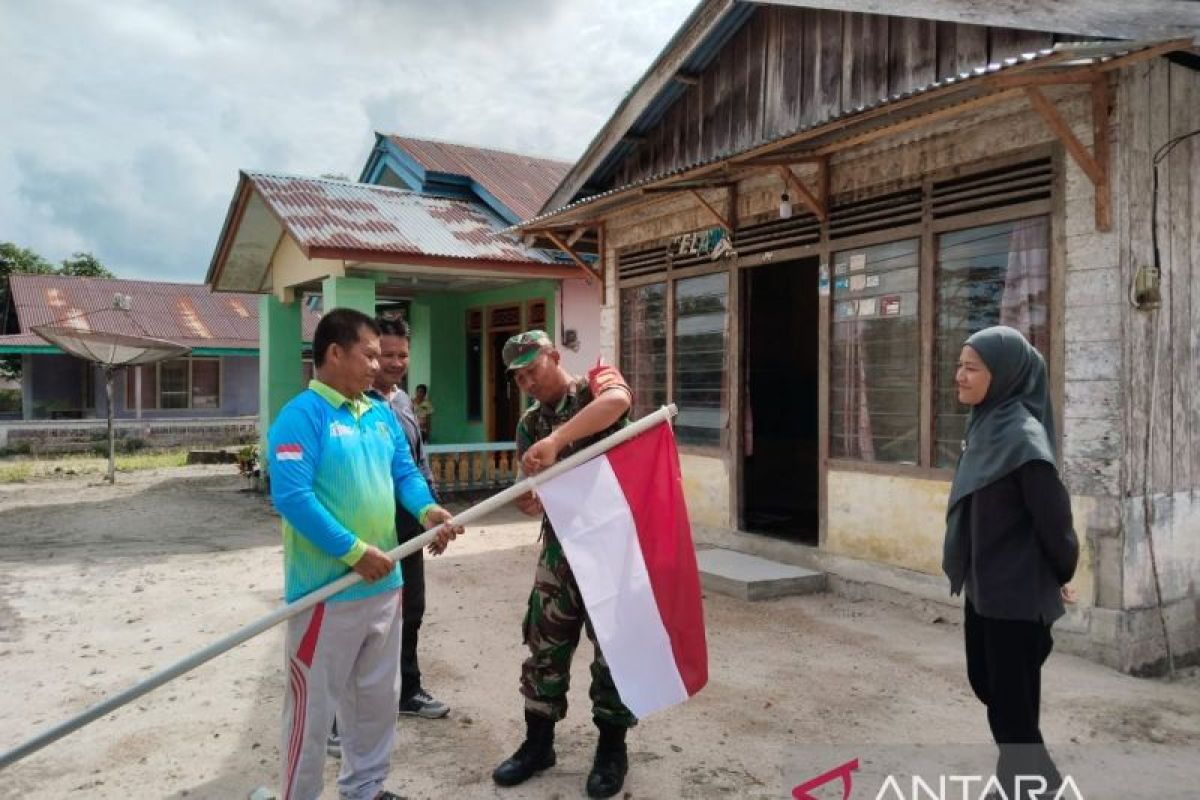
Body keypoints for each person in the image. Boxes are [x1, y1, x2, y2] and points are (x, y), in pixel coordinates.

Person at [267, 308, 463, 800]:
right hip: (326, 593)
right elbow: (292, 497)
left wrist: (427, 512)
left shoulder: (378, 414)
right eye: (369, 354)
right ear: (335, 353)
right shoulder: (301, 416)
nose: (379, 365)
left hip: (384, 586)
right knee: (313, 712)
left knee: (376, 702)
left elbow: (405, 475)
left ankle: (365, 789)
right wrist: (353, 552)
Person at [490, 330, 637, 799]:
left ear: (555, 356)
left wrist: (557, 440)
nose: (528, 381)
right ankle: (538, 745)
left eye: (534, 368)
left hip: (612, 547)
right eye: (518, 377)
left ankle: (612, 750)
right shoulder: (528, 426)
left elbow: (618, 401)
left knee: (613, 650)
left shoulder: (596, 383)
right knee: (544, 644)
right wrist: (529, 501)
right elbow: (531, 485)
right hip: (561, 550)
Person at [942, 325, 1079, 800]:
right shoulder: (985, 426)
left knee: (1012, 712)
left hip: (1016, 599)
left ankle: (1039, 788)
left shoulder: (1022, 439)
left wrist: (1061, 574)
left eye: (971, 367)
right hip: (985, 590)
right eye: (959, 365)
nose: (958, 376)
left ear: (1001, 376)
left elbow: (1055, 521)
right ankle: (1016, 783)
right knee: (994, 692)